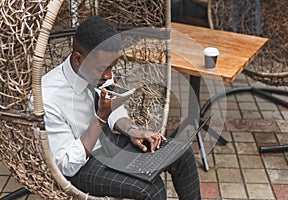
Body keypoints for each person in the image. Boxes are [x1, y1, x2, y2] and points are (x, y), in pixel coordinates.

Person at [42, 16, 201, 199]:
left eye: (112, 67)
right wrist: (101, 117)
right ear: (78, 59)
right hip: (83, 165)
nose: (109, 75)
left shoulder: (98, 71)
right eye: (103, 68)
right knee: (151, 189)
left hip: (112, 144)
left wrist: (131, 130)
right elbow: (66, 165)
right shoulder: (49, 98)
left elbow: (112, 108)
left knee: (182, 155)